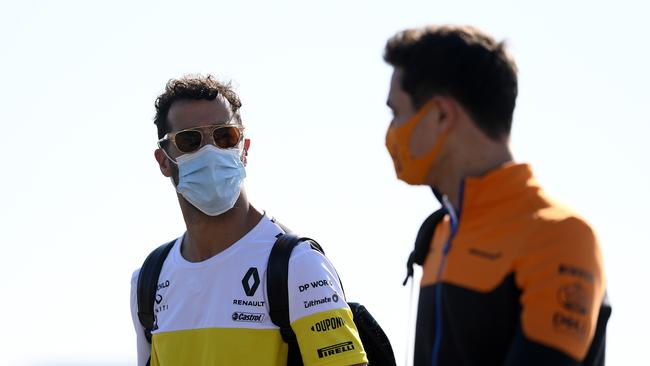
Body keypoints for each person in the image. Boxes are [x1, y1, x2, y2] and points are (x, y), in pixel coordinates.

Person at [383, 26, 611, 366]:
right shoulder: (440, 232)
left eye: (396, 113)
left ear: (442, 115)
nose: (390, 133)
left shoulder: (560, 236)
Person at [129, 74, 368, 366]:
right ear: (164, 161)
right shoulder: (148, 281)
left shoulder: (299, 266)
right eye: (190, 140)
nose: (211, 150)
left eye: (224, 136)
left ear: (244, 150)